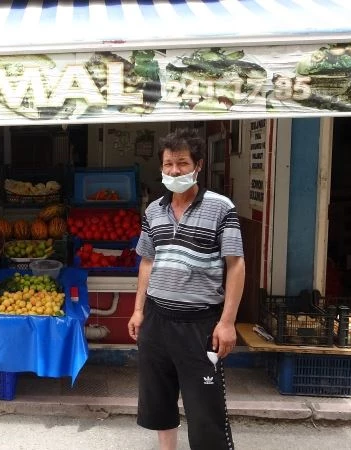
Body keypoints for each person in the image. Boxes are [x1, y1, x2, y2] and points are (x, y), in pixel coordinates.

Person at [128, 128, 245, 450]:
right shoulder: (154, 210)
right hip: (156, 319)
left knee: (204, 407)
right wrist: (138, 310)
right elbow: (147, 261)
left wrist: (227, 322)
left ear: (198, 166)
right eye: (168, 164)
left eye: (182, 163)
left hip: (199, 323)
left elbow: (235, 265)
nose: (175, 171)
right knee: (157, 399)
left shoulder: (221, 207)